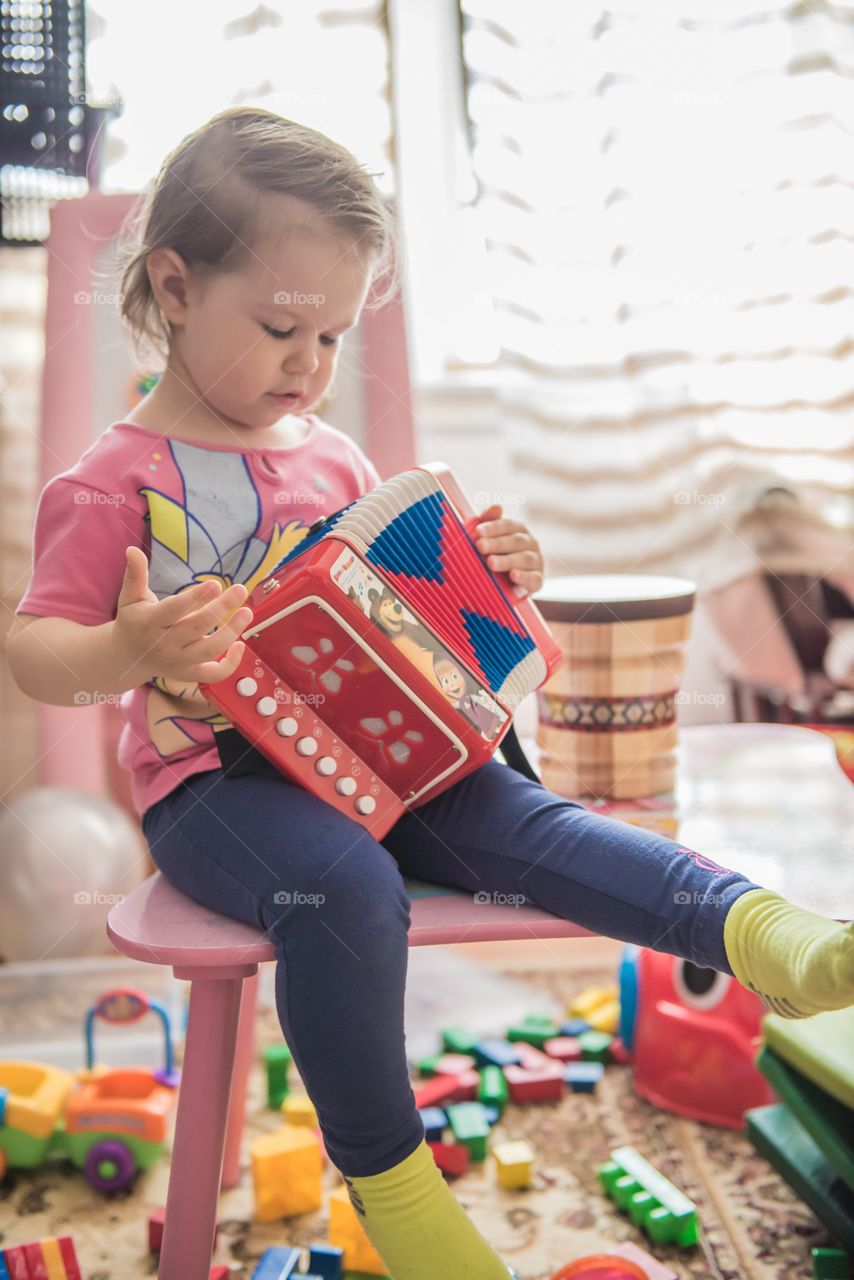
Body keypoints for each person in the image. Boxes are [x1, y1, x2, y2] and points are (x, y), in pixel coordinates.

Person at [7, 108, 853, 1280]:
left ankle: (761, 932)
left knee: (534, 819)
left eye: (332, 334)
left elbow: (415, 611)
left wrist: (501, 569)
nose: (310, 365)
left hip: (385, 754)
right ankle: (396, 1191)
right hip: (215, 788)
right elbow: (35, 649)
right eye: (281, 328)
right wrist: (124, 645)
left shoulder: (333, 459)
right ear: (176, 285)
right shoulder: (110, 483)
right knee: (342, 884)